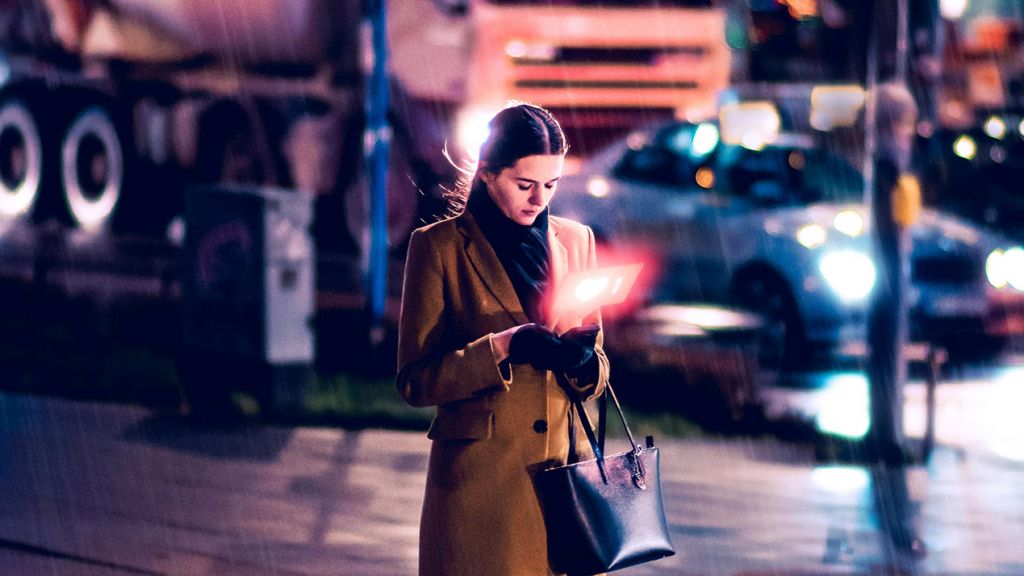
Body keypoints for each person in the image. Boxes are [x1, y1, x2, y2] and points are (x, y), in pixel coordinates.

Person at [396, 103, 609, 576]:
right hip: (479, 493)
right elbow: (415, 381)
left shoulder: (576, 241)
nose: (539, 200)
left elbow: (596, 371)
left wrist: (582, 363)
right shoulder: (439, 247)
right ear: (488, 173)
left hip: (560, 489)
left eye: (550, 185)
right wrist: (503, 347)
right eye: (524, 184)